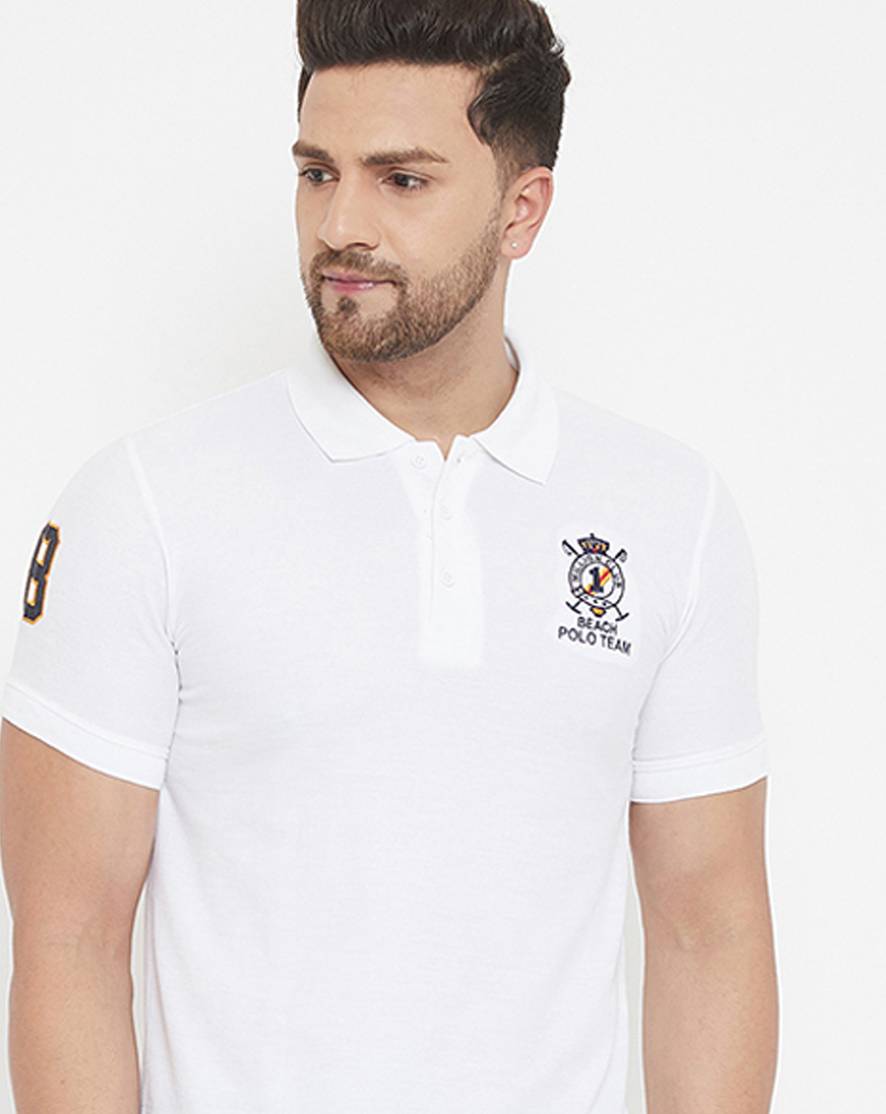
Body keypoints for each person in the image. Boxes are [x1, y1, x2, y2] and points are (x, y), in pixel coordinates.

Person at [0, 1, 778, 1111]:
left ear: (521, 210)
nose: (339, 224)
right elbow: (67, 939)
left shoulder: (668, 512)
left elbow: (710, 928)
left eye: (400, 179)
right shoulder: (146, 504)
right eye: (317, 173)